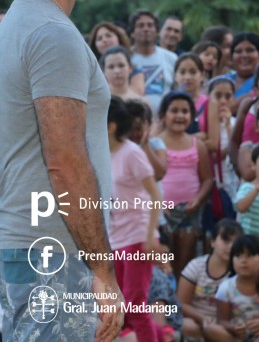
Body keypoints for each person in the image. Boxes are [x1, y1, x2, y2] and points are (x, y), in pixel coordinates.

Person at [0, 0, 124, 341]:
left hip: (33, 246)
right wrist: (103, 271)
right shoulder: (51, 33)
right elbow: (65, 161)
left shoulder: (22, 21)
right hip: (51, 252)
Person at [107, 97, 164, 341]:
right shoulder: (101, 154)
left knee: (135, 307)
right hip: (115, 238)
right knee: (119, 308)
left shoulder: (132, 153)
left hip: (138, 236)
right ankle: (162, 335)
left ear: (110, 125)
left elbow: (155, 196)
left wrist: (150, 236)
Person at [158, 92, 212, 278]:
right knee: (164, 262)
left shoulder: (198, 145)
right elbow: (145, 179)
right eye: (174, 111)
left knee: (185, 259)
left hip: (190, 211)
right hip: (162, 213)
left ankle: (180, 300)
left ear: (192, 115)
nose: (180, 116)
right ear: (163, 116)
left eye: (185, 111)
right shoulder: (154, 144)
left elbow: (207, 179)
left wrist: (198, 199)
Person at [204, 234, 259, 342]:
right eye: (238, 256)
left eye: (249, 255)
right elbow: (222, 321)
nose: (243, 260)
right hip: (236, 337)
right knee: (210, 328)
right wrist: (234, 328)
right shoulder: (226, 287)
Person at [176, 219, 240, 340]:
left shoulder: (241, 270)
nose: (231, 246)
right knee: (187, 326)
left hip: (227, 325)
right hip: (196, 320)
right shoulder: (196, 266)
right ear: (212, 242)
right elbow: (181, 303)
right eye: (226, 240)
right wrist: (201, 318)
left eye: (235, 242)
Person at [130, 11, 177, 114]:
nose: (146, 29)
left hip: (165, 119)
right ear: (132, 32)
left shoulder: (171, 58)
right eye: (140, 26)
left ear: (157, 31)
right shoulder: (125, 59)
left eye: (150, 25)